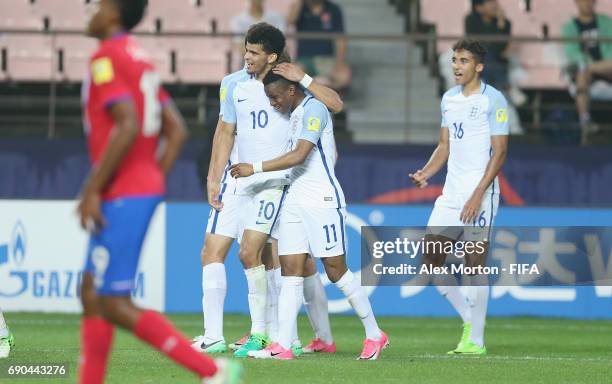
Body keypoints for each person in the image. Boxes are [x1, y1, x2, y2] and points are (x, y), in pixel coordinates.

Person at [77, 1, 240, 383]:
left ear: (113, 13)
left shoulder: (106, 57)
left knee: (112, 301)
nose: (87, 9)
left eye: (95, 4)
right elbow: (177, 130)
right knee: (91, 291)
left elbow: (128, 124)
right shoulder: (138, 57)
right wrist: (151, 178)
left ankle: (212, 370)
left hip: (122, 192)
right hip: (134, 188)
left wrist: (94, 188)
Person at [230, 70, 388, 360]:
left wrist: (255, 167)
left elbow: (300, 155)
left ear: (291, 91)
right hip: (294, 200)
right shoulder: (295, 116)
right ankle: (284, 344)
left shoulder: (314, 108)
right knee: (290, 270)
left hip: (322, 202)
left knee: (336, 270)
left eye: (275, 97)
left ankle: (375, 334)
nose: (273, 103)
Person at [207, 22, 342, 358]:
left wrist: (305, 78)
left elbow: (335, 105)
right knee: (279, 261)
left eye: (253, 52)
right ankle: (289, 337)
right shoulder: (233, 84)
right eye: (245, 50)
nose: (246, 57)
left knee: (282, 259)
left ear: (270, 55)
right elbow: (225, 132)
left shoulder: (292, 82)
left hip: (283, 181)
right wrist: (214, 177)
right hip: (248, 182)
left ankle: (276, 336)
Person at [409, 39, 508, 355]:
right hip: (451, 194)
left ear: (478, 66)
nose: (456, 66)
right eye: (454, 59)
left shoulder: (494, 100)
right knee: (431, 262)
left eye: (463, 60)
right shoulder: (449, 99)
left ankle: (475, 340)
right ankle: (469, 318)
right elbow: (444, 145)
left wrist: (478, 194)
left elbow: (501, 151)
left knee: (473, 264)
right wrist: (426, 172)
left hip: (482, 194)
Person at [562, 0, 612, 143]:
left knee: (586, 68)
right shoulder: (570, 27)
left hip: (608, 66)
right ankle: (585, 121)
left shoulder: (607, 22)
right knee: (582, 72)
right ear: (576, 3)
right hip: (588, 70)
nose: (587, 3)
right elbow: (573, 54)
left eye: (590, 1)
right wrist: (591, 65)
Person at [288, 0, 351, 90]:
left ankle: (327, 94)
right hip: (304, 60)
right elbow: (290, 21)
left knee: (344, 76)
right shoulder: (300, 7)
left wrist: (340, 62)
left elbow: (340, 39)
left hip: (327, 60)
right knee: (292, 75)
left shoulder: (334, 9)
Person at [230, 0, 286, 71]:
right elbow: (239, 45)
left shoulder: (277, 18)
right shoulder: (238, 20)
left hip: (273, 63)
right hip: (249, 63)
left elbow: (281, 44)